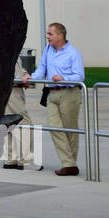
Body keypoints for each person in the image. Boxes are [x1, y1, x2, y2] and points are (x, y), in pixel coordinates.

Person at [22, 23, 84, 176]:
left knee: (70, 130)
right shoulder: (48, 50)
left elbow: (80, 76)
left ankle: (70, 165)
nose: (47, 36)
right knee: (54, 127)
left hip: (69, 93)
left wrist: (64, 78)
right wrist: (31, 78)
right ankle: (69, 163)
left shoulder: (72, 53)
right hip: (52, 94)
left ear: (60, 35)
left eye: (50, 34)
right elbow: (42, 68)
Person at [2, 57, 40, 171]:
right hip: (11, 89)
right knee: (24, 123)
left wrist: (24, 74)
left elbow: (17, 66)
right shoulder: (6, 44)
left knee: (9, 122)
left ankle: (10, 159)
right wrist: (20, 78)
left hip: (10, 89)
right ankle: (26, 160)